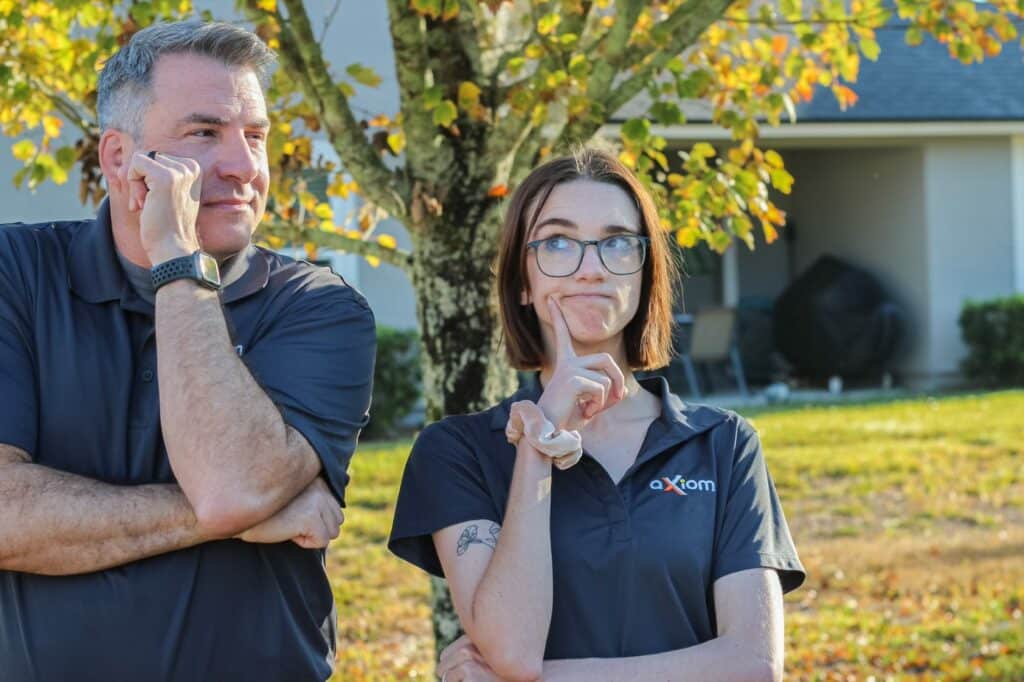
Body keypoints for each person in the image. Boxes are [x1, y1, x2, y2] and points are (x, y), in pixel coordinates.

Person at [0, 21, 375, 682]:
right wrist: (228, 515)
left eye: (254, 136)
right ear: (119, 158)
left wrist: (178, 263)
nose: (244, 166)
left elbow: (230, 486)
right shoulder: (16, 272)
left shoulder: (319, 307)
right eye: (205, 133)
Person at [389, 148, 805, 682]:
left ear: (643, 272)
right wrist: (538, 446)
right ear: (522, 280)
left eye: (616, 243)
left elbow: (752, 663)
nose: (591, 268)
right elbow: (512, 650)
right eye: (558, 242)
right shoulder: (456, 452)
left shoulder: (724, 445)